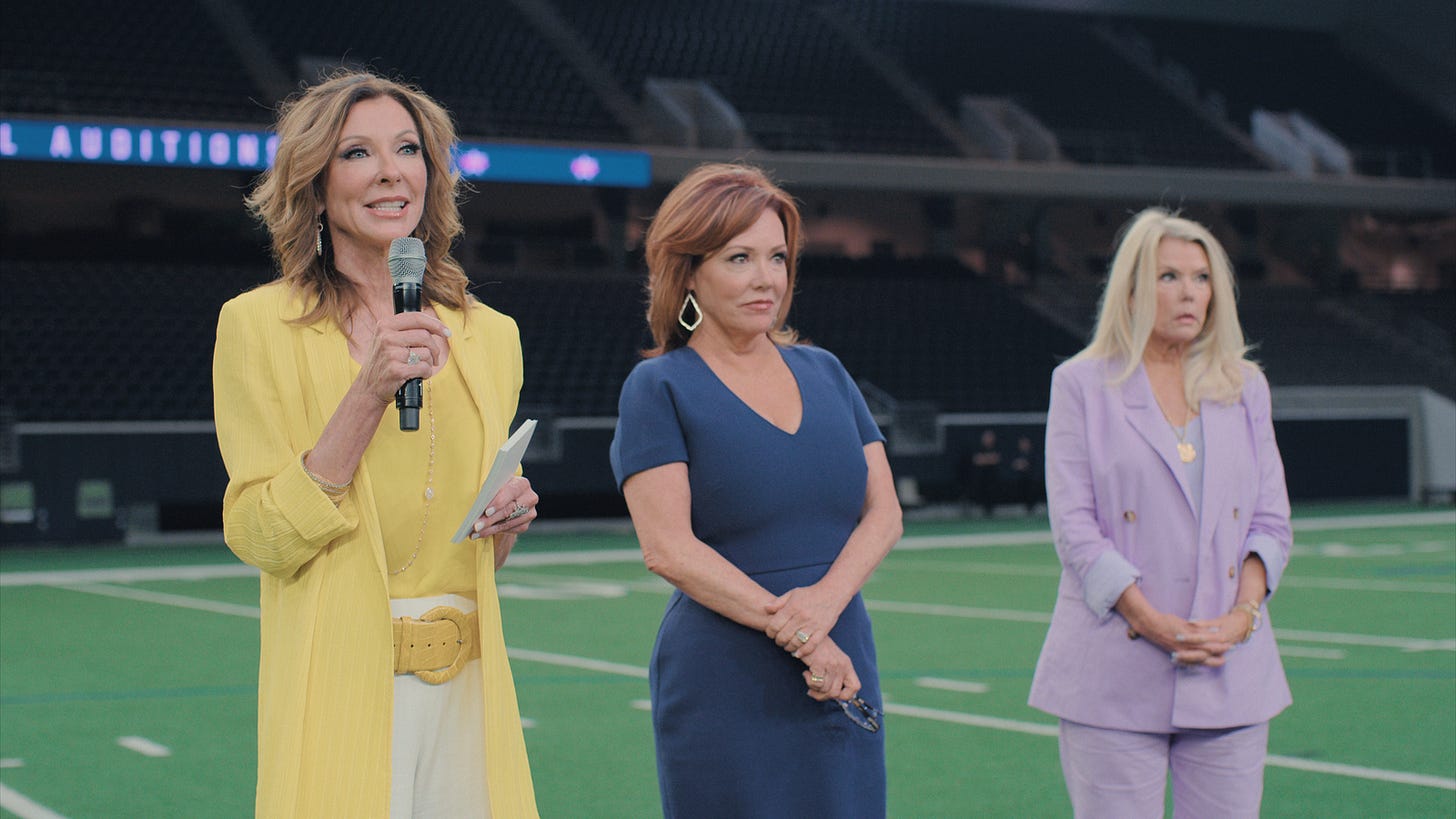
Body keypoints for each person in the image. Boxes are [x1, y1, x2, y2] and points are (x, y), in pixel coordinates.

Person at [212, 70, 539, 818]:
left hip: (468, 690)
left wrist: (504, 519)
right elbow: (261, 534)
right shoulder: (257, 326)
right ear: (316, 186)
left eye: (408, 149)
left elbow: (471, 557)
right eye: (358, 153)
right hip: (338, 682)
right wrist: (367, 392)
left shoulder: (492, 336)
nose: (392, 170)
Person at [610, 163, 902, 818]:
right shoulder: (657, 389)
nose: (766, 277)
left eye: (777, 256)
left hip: (841, 656)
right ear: (688, 272)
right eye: (739, 257)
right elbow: (668, 549)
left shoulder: (826, 371)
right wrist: (803, 632)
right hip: (726, 677)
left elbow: (884, 514)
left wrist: (826, 606)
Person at [1029, 207, 1293, 818]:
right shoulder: (1080, 384)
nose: (1189, 294)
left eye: (1202, 279)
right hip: (1114, 670)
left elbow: (1271, 524)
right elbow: (1076, 528)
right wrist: (1149, 620)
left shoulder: (1245, 385)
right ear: (1131, 289)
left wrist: (1242, 618)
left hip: (1229, 669)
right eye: (1169, 277)